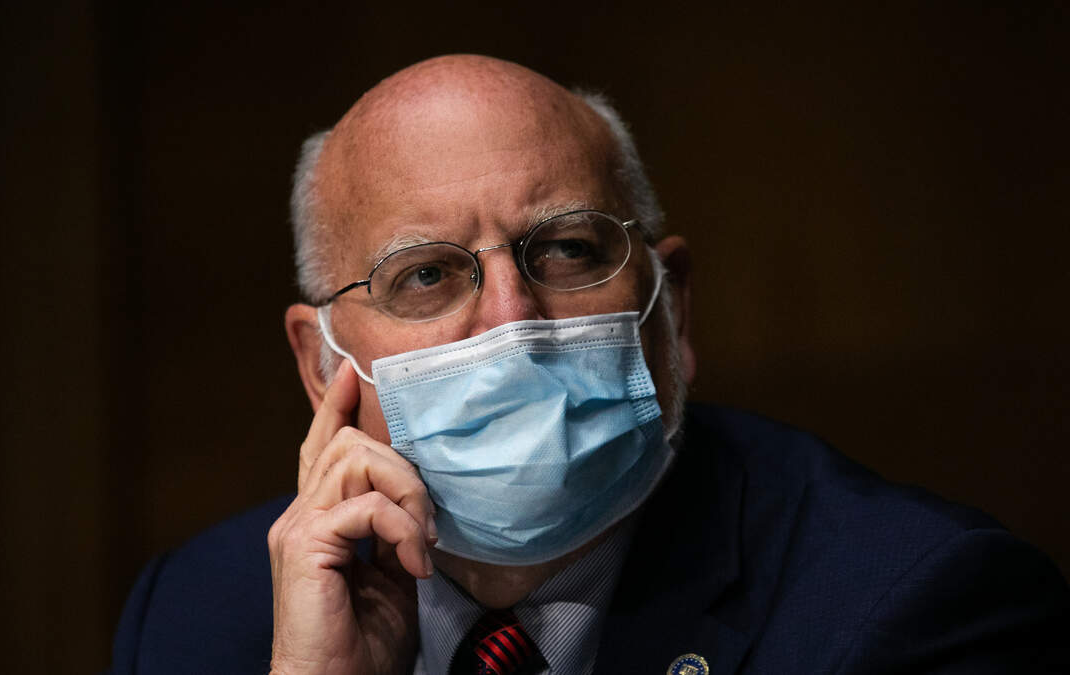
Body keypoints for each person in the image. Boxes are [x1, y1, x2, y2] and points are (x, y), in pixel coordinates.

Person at [108, 55, 1069, 674]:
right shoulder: (198, 620)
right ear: (323, 366)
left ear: (671, 307)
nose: (511, 318)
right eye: (426, 275)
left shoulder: (913, 606)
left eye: (568, 250)